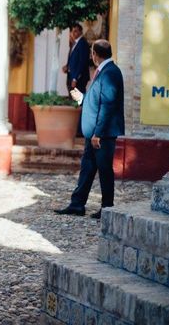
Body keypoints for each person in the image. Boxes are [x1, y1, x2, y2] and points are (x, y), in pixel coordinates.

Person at [54, 39, 124, 219]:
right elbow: (96, 101)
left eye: (92, 52)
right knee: (87, 168)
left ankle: (107, 208)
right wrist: (81, 98)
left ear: (95, 55)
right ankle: (77, 204)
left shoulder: (110, 73)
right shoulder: (102, 71)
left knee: (104, 170)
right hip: (93, 133)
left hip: (102, 134)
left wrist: (98, 133)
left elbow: (107, 106)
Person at [62, 23, 90, 92]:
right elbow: (73, 59)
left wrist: (75, 78)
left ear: (80, 32)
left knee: (77, 99)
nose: (73, 33)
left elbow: (82, 62)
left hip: (79, 78)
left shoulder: (82, 43)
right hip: (71, 75)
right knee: (72, 98)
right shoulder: (75, 43)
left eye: (76, 31)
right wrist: (67, 66)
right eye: (72, 31)